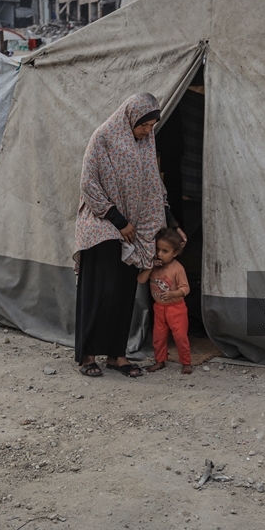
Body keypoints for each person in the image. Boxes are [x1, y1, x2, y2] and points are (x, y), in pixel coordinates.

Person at [75, 93, 185, 378]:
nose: (147, 132)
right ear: (129, 119)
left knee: (123, 293)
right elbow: (89, 183)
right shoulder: (103, 138)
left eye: (151, 127)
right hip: (102, 224)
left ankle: (117, 355)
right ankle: (88, 354)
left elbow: (154, 189)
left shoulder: (146, 145)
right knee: (100, 291)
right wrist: (118, 220)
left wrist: (171, 223)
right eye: (144, 126)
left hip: (133, 230)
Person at [138, 227, 191, 374]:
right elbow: (141, 280)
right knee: (158, 337)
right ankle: (159, 361)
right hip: (159, 308)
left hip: (176, 308)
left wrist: (173, 294)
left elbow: (185, 289)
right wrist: (150, 267)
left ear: (175, 253)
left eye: (165, 251)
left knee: (180, 336)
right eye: (157, 249)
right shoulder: (154, 266)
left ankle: (186, 362)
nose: (159, 254)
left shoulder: (177, 268)